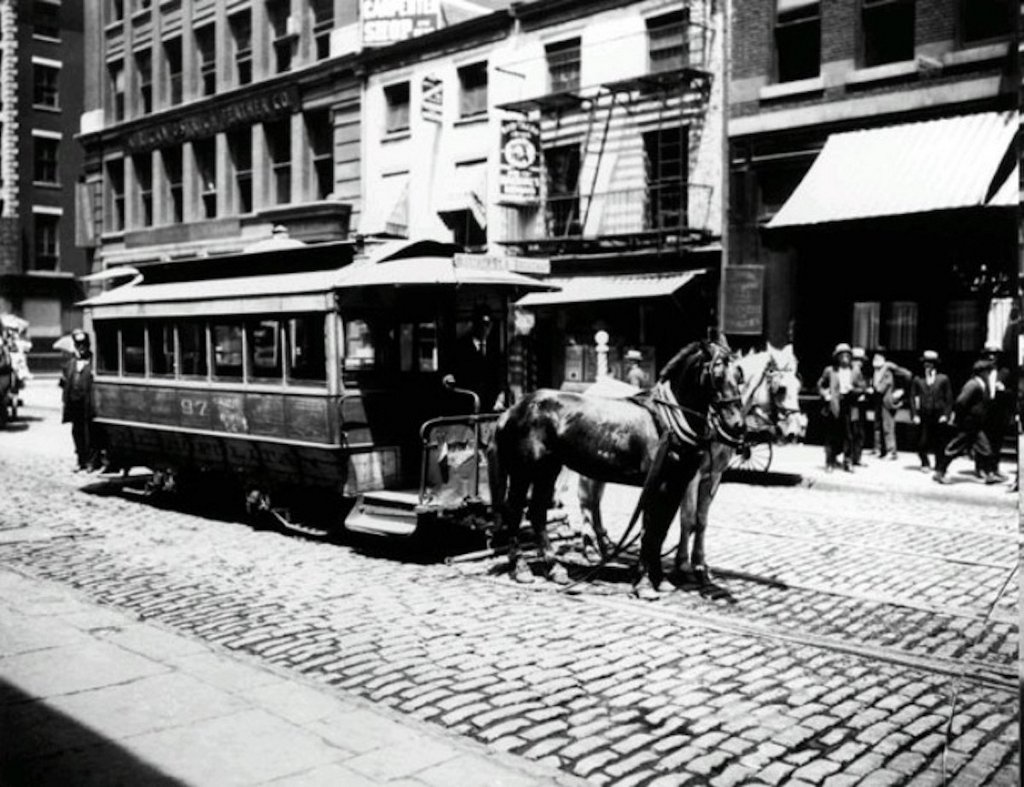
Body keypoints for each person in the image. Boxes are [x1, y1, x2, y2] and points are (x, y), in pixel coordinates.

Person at [934, 359, 997, 484]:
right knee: (955, 448)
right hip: (968, 424)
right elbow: (961, 402)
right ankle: (939, 472)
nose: (989, 374)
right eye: (988, 371)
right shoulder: (972, 384)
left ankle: (990, 474)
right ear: (982, 372)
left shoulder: (981, 384)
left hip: (976, 424)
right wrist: (960, 418)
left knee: (985, 448)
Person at [817, 343, 862, 472]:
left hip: (849, 405)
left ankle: (847, 462)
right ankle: (830, 462)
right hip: (835, 404)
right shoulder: (830, 370)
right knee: (832, 435)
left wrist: (854, 389)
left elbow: (862, 387)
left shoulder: (855, 371)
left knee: (849, 435)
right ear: (837, 357)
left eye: (847, 355)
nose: (845, 358)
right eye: (842, 355)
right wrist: (825, 394)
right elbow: (820, 385)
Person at [452, 305, 506, 412]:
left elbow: (500, 377)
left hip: (491, 407)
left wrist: (500, 398)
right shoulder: (460, 348)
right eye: (482, 323)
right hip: (468, 406)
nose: (486, 328)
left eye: (488, 324)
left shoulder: (494, 350)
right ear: (475, 324)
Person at [59, 329, 98, 471]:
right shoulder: (71, 363)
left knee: (90, 432)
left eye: (84, 344)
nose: (81, 347)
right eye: (78, 345)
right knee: (77, 432)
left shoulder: (94, 362)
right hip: (74, 403)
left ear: (88, 345)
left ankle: (91, 462)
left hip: (88, 402)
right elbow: (64, 381)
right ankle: (80, 460)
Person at [910, 350, 953, 472]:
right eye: (926, 362)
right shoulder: (918, 379)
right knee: (921, 441)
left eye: (930, 363)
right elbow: (912, 397)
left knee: (939, 442)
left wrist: (946, 415)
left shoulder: (943, 379)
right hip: (923, 414)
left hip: (938, 414)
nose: (927, 365)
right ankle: (925, 462)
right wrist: (914, 414)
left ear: (935, 364)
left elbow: (949, 399)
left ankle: (939, 465)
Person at [976, 343, 1010, 482]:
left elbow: (1013, 392)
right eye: (989, 355)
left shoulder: (1005, 372)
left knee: (996, 442)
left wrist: (1004, 390)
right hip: (983, 411)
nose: (991, 357)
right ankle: (980, 468)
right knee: (982, 441)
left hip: (998, 412)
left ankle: (994, 468)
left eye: (994, 355)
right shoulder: (980, 372)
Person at [868, 348, 907, 461]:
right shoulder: (876, 372)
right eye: (875, 357)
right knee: (878, 426)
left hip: (886, 402)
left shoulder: (887, 372)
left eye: (878, 357)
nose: (875, 359)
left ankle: (891, 451)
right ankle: (880, 449)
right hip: (879, 402)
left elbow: (882, 387)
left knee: (888, 427)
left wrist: (873, 389)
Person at [849, 347, 870, 465]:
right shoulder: (854, 372)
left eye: (860, 360)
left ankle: (855, 457)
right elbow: (850, 388)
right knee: (856, 432)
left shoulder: (857, 371)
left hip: (859, 406)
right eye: (857, 360)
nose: (859, 363)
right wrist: (864, 390)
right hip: (854, 406)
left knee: (858, 432)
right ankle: (854, 458)